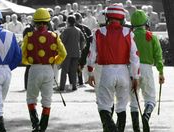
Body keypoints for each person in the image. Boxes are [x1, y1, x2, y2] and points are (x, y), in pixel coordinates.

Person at [87, 4, 140, 132]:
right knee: (121, 107)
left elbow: (91, 54)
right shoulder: (128, 32)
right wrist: (135, 77)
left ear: (107, 18)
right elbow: (135, 56)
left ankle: (111, 129)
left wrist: (90, 72)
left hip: (106, 72)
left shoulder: (98, 32)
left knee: (104, 105)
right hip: (124, 72)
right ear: (122, 18)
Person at [21, 8, 67, 132]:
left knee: (31, 98)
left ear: (35, 22)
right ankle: (43, 126)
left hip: (34, 69)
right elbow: (63, 53)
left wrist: (28, 62)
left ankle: (35, 124)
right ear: (47, 22)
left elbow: (22, 54)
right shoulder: (54, 35)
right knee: (47, 99)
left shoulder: (29, 36)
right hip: (48, 69)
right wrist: (54, 61)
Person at [130, 10, 165, 132]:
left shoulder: (130, 36)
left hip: (132, 69)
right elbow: (158, 56)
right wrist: (160, 72)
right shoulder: (152, 37)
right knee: (150, 98)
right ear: (146, 22)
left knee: (134, 99)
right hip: (147, 69)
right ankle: (146, 115)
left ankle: (136, 128)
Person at [59, 15, 85, 91]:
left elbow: (62, 42)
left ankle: (62, 87)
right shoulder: (78, 30)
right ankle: (74, 86)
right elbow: (83, 41)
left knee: (64, 71)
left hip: (67, 53)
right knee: (73, 71)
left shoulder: (66, 30)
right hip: (76, 52)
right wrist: (80, 49)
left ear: (68, 22)